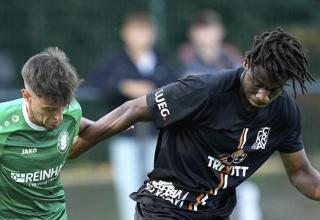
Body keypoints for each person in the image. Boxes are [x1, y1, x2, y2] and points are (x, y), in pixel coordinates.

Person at [69, 28, 320, 220]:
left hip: (214, 213)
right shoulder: (204, 90)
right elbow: (132, 108)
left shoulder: (284, 114)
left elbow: (301, 173)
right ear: (246, 62)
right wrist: (74, 148)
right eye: (258, 84)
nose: (263, 95)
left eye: (273, 90)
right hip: (164, 207)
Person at [87, 10, 177, 220]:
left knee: (160, 191)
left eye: (146, 31)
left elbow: (176, 87)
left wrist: (151, 90)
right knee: (128, 191)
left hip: (158, 140)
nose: (141, 36)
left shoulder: (162, 61)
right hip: (125, 138)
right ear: (126, 33)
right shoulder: (115, 61)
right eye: (137, 30)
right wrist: (124, 86)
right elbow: (96, 82)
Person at [180, 9, 261, 220]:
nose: (207, 35)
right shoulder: (185, 62)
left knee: (247, 195)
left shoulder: (233, 59)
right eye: (202, 29)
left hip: (227, 143)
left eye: (211, 29)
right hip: (196, 149)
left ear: (220, 31)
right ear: (193, 34)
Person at [0, 47, 92, 219]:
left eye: (62, 107)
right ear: (26, 95)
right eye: (49, 109)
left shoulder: (72, 112)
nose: (58, 117)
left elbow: (81, 124)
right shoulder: (3, 123)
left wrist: (115, 125)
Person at [179, 9, 242, 76]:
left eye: (210, 30)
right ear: (192, 34)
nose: (207, 36)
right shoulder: (188, 66)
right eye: (203, 31)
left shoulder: (230, 58)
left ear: (221, 32)